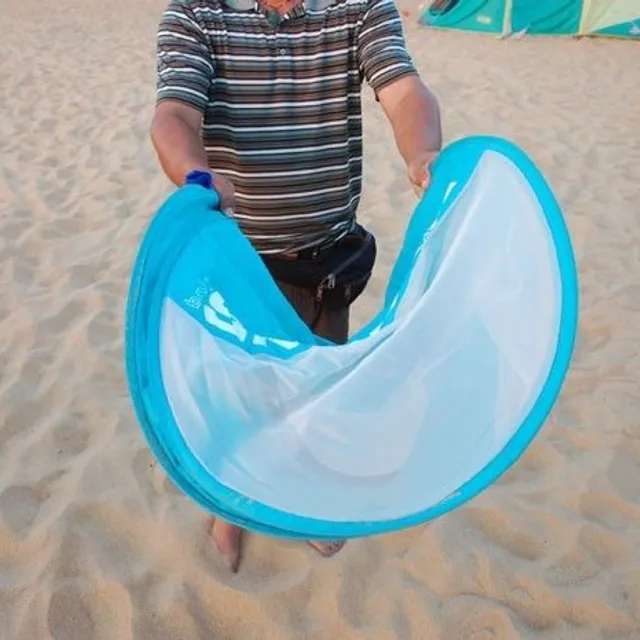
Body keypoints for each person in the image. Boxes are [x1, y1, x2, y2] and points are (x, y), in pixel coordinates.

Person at [150, 0, 442, 572]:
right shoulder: (197, 13)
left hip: (329, 259)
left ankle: (307, 502)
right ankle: (229, 510)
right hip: (240, 265)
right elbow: (175, 115)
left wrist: (423, 151)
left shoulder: (359, 7)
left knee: (319, 386)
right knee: (240, 395)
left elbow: (403, 88)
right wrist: (197, 175)